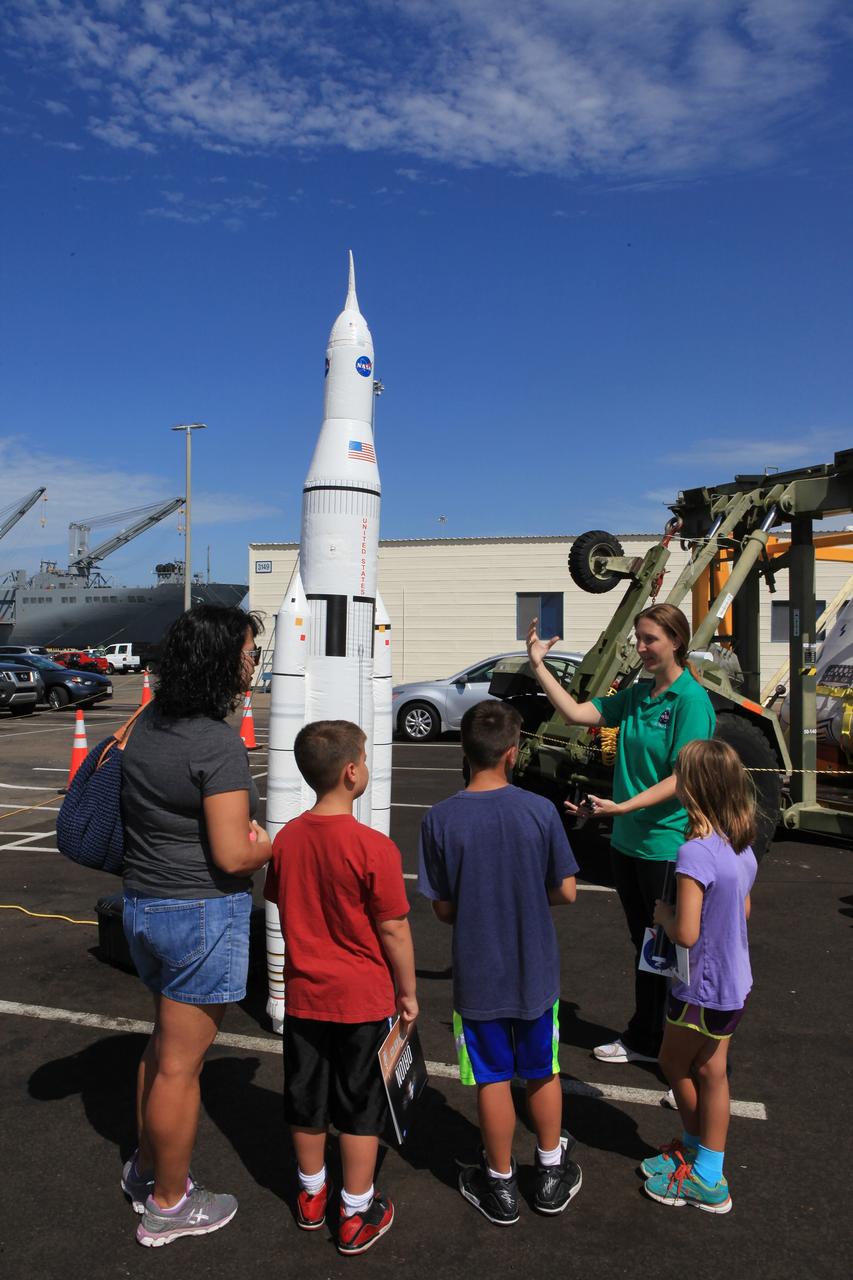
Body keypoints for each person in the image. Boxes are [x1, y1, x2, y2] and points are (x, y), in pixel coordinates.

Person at [119, 605, 272, 1247]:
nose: (253, 662)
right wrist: (273, 843)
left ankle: (149, 1168)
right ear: (219, 661)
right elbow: (235, 853)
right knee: (182, 1066)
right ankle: (170, 1203)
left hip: (144, 906)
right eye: (247, 651)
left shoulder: (147, 721)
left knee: (162, 1049)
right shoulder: (215, 743)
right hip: (200, 913)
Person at [526, 602, 716, 1064]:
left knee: (676, 948)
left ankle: (689, 1053)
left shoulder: (691, 702)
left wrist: (622, 807)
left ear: (676, 641)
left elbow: (683, 778)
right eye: (639, 638)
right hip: (629, 843)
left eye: (650, 638)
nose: (641, 647)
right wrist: (538, 664)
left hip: (668, 845)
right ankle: (651, 1040)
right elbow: (573, 712)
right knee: (648, 945)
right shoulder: (637, 696)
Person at [418, 700, 581, 1226]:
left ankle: (501, 1181)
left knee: (491, 1078)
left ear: (464, 752)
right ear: (513, 753)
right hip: (535, 967)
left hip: (478, 972)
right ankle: (551, 1171)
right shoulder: (539, 810)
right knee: (542, 1070)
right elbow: (567, 891)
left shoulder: (440, 818)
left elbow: (443, 907)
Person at [263, 720, 417, 1257]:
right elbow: (394, 929)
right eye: (367, 758)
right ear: (352, 773)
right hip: (362, 999)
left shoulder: (286, 840)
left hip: (306, 996)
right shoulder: (374, 847)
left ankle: (311, 1195)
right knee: (359, 1105)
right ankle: (355, 1210)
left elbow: (283, 903)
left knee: (305, 1097)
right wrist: (409, 993)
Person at [641, 738, 757, 1213]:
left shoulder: (693, 852)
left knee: (673, 1063)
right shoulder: (741, 846)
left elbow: (686, 933)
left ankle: (701, 1165)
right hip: (733, 982)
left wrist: (663, 915)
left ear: (693, 788)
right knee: (712, 1071)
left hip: (700, 986)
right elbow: (744, 910)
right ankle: (706, 1164)